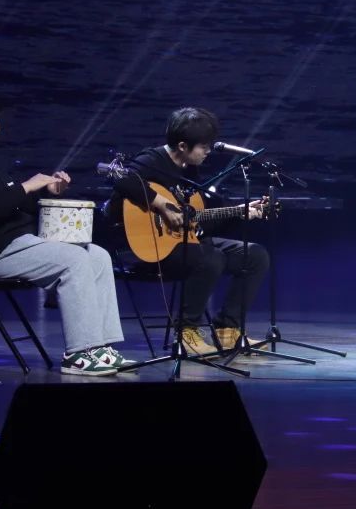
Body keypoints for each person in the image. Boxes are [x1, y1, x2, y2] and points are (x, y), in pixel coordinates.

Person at [0, 98, 132, 376]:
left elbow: (10, 202)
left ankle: (100, 348)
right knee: (74, 259)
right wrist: (26, 186)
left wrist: (47, 191)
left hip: (16, 242)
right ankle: (79, 353)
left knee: (97, 255)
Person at [106, 107, 268, 356]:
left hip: (183, 244)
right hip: (142, 247)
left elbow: (198, 223)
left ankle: (228, 331)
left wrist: (238, 212)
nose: (208, 151)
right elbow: (119, 177)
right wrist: (161, 204)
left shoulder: (189, 169)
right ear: (182, 145)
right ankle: (186, 333)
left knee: (254, 255)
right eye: (204, 146)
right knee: (210, 257)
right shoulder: (152, 160)